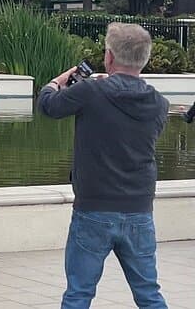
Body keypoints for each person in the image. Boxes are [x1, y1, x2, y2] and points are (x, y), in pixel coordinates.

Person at [38, 23, 170, 308]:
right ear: (145, 59)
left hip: (93, 209)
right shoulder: (159, 103)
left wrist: (58, 81)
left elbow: (48, 105)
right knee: (148, 293)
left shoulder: (89, 92)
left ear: (109, 56)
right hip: (138, 208)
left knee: (79, 293)